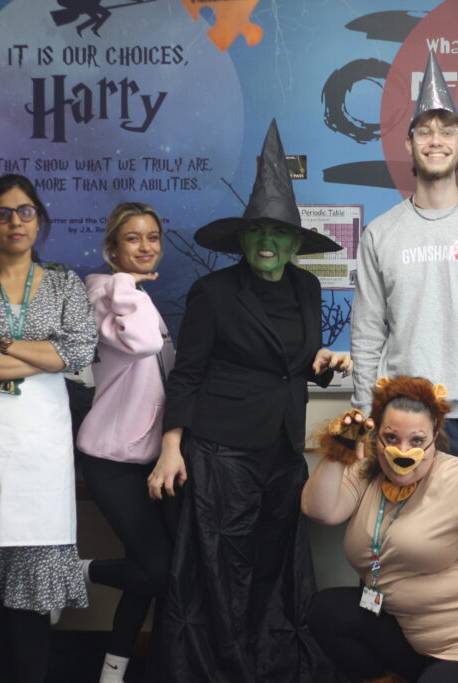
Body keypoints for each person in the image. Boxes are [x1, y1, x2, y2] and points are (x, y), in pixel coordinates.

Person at [146, 119, 351, 683]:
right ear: (242, 239)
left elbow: (292, 368)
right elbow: (186, 376)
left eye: (279, 233)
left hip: (282, 451)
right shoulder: (212, 293)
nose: (267, 242)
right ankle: (219, 667)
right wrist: (172, 449)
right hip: (220, 452)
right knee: (219, 567)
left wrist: (327, 363)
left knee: (270, 564)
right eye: (257, 231)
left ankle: (267, 661)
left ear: (294, 242)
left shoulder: (308, 289)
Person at [351, 52, 458, 557]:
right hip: (404, 424)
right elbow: (366, 333)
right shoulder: (381, 233)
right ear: (409, 143)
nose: (435, 140)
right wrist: (366, 414)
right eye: (424, 131)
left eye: (446, 130)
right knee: (406, 556)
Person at [0, 173, 97, 683]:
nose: (15, 222)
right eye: (4, 212)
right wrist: (38, 354)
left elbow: (76, 351)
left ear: (39, 219)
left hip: (42, 439)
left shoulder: (66, 283)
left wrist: (2, 345)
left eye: (25, 211)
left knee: (34, 561)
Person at [303, 375, 458, 682]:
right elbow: (319, 511)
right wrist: (338, 451)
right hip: (418, 639)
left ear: (434, 436)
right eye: (392, 438)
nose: (402, 450)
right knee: (328, 610)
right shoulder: (368, 470)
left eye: (416, 440)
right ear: (377, 436)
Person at [76, 202, 175, 683]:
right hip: (112, 458)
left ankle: (113, 672)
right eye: (133, 238)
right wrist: (121, 282)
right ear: (112, 247)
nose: (145, 246)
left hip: (150, 457)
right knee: (158, 571)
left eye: (153, 237)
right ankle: (72, 573)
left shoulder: (133, 295)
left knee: (150, 567)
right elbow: (143, 346)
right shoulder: (104, 293)